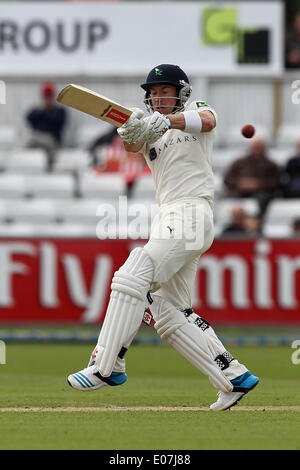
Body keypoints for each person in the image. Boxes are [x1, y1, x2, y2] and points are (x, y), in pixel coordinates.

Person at [68, 64, 259, 411]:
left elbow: (210, 120)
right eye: (153, 92)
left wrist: (168, 120)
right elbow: (132, 145)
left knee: (133, 272)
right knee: (168, 311)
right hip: (169, 217)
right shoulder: (151, 131)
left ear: (181, 92)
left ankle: (106, 365)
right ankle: (232, 377)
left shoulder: (198, 110)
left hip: (192, 212)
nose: (158, 97)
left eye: (164, 90)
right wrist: (130, 127)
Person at [224, 136, 280, 214]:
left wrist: (259, 184)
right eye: (255, 147)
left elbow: (276, 182)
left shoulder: (271, 165)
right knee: (230, 200)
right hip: (240, 192)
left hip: (261, 193)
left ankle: (258, 221)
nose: (257, 150)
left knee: (262, 199)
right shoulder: (239, 163)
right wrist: (240, 183)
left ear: (264, 148)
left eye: (259, 147)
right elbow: (227, 179)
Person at [25, 82, 67, 171]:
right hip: (37, 139)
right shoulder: (37, 110)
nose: (48, 99)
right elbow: (28, 118)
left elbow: (55, 124)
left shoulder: (59, 111)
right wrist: (43, 109)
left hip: (53, 141)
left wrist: (46, 111)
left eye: (49, 96)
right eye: (46, 96)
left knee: (46, 143)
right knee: (28, 142)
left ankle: (50, 170)